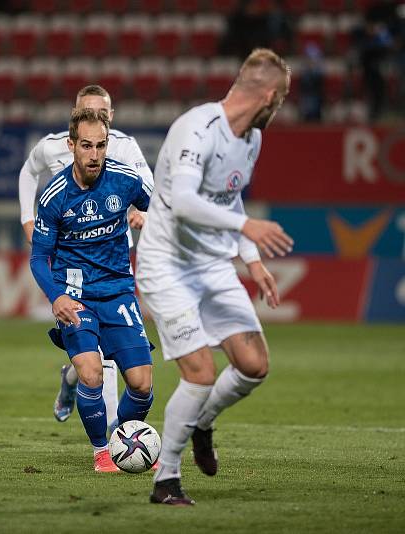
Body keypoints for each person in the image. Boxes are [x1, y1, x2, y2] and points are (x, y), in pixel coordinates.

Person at [135, 48, 294, 505]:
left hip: (212, 265)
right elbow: (184, 200)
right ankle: (166, 480)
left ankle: (202, 422)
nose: (279, 110)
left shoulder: (252, 140)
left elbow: (230, 199)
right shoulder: (197, 128)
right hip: (167, 265)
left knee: (253, 366)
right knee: (201, 372)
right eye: (280, 100)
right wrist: (247, 229)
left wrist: (252, 258)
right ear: (267, 94)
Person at [18, 84, 154, 430]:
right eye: (86, 145)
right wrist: (26, 219)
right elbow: (38, 258)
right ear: (72, 141)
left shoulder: (125, 166)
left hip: (117, 280)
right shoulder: (53, 186)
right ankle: (104, 452)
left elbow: (157, 200)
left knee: (140, 382)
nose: (94, 153)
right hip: (76, 287)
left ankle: (116, 435)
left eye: (100, 145)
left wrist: (148, 215)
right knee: (94, 372)